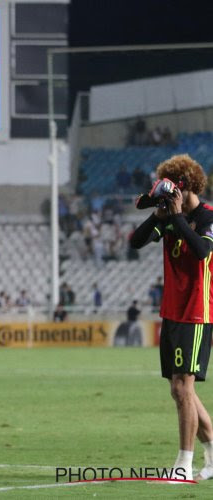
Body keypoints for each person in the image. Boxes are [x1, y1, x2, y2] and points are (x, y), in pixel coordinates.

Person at [129, 154, 213, 481]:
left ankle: (183, 464)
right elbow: (135, 242)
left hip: (197, 310)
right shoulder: (168, 216)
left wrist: (176, 217)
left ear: (185, 185)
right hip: (172, 310)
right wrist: (157, 215)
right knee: (180, 391)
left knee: (183, 386)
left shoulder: (206, 216)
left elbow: (202, 251)